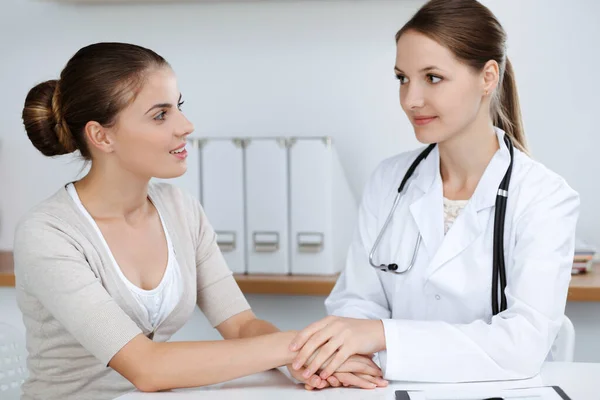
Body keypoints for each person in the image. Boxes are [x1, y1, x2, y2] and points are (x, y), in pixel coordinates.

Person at [15, 42, 387, 400]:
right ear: (101, 135)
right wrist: (293, 347)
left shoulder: (180, 209)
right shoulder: (49, 234)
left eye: (178, 107)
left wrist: (307, 363)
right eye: (160, 115)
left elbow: (241, 325)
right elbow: (147, 367)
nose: (186, 125)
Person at [288, 0, 580, 384]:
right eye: (402, 78)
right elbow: (355, 303)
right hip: (389, 387)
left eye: (433, 77)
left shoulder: (544, 197)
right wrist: (348, 351)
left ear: (487, 77)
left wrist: (382, 335)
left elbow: (522, 345)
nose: (411, 99)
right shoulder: (389, 182)